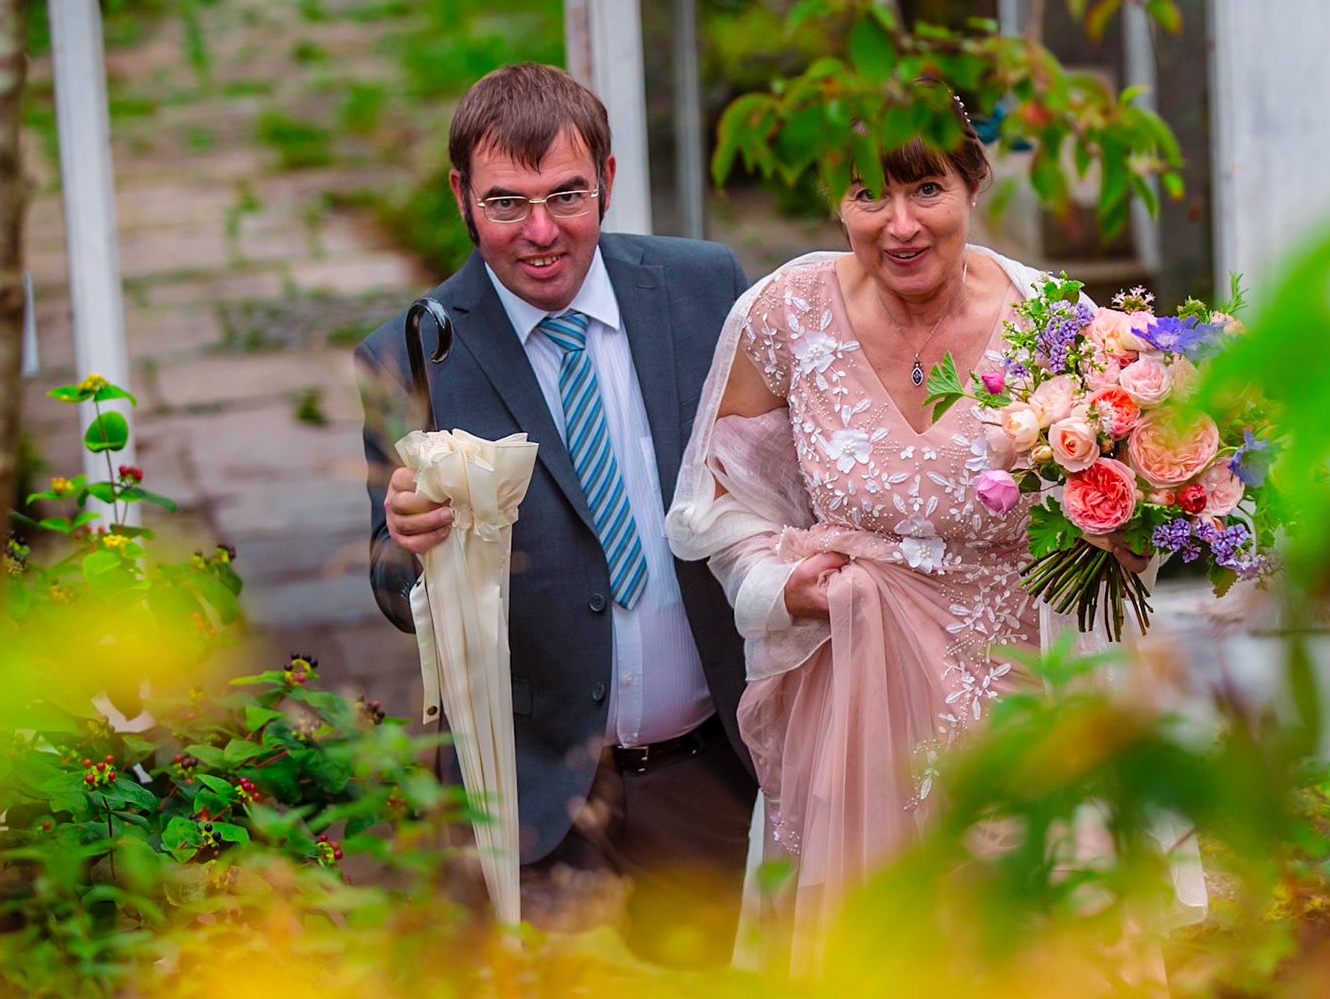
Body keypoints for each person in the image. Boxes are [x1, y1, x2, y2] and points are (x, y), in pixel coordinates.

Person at [355, 62, 758, 967]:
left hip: (708, 776)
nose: (540, 232)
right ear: (462, 197)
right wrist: (408, 543)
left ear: (607, 179)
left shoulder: (705, 289)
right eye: (506, 203)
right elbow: (389, 581)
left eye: (566, 195)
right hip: (531, 798)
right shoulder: (407, 354)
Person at [665, 100, 1052, 970]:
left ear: (973, 185)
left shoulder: (1053, 321)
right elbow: (721, 496)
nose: (900, 224)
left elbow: (1115, 505)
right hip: (851, 717)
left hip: (1016, 708)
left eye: (927, 189)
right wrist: (778, 585)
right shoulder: (786, 313)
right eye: (869, 194)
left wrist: (1131, 536)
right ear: (838, 203)